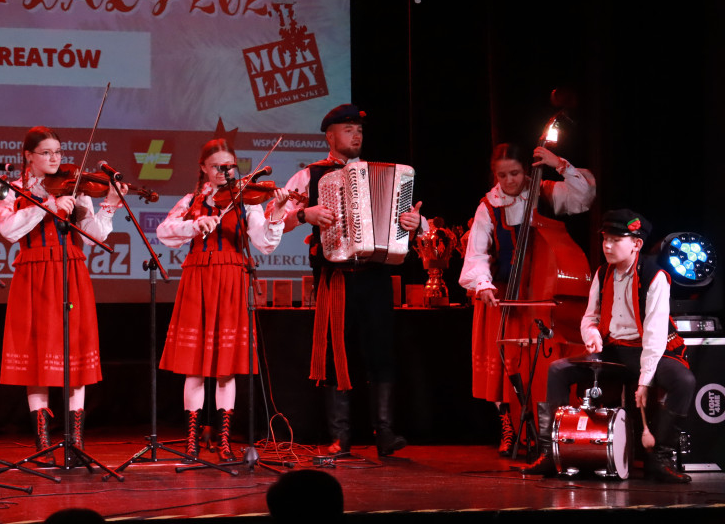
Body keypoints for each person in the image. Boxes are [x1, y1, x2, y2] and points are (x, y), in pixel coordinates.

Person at [271, 104, 424, 459]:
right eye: (348, 129)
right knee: (334, 354)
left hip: (375, 277)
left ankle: (384, 433)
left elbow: (411, 220)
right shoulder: (310, 175)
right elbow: (273, 219)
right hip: (336, 278)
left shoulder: (384, 174)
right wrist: (303, 213)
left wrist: (415, 223)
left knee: (381, 353)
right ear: (330, 135)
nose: (356, 135)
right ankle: (340, 437)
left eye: (359, 130)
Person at [522, 210, 695, 483]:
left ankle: (658, 457)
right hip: (614, 349)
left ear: (636, 244)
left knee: (683, 381)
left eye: (616, 240)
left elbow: (655, 334)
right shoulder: (603, 273)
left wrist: (645, 381)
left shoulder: (655, 276)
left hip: (649, 351)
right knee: (558, 370)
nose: (608, 246)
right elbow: (590, 316)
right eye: (605, 240)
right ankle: (549, 452)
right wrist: (591, 334)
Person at [458, 143, 596, 456]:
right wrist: (483, 284)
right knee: (504, 364)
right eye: (502, 175)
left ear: (525, 169)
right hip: (506, 294)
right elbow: (477, 252)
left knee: (546, 362)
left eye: (515, 173)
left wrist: (559, 163)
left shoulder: (544, 192)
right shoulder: (488, 207)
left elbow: (583, 197)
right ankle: (510, 424)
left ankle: (551, 428)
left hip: (544, 295)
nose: (508, 181)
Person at [0, 127, 125, 459]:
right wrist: (49, 205)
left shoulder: (75, 187)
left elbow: (94, 233)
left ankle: (75, 441)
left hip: (71, 269)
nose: (55, 159)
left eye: (58, 153)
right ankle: (42, 442)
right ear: (28, 156)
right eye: (47, 153)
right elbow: (8, 230)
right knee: (39, 355)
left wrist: (109, 204)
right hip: (34, 273)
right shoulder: (11, 187)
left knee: (75, 354)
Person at [156, 138, 288, 461]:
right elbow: (164, 231)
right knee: (195, 368)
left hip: (231, 280)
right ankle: (192, 438)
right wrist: (193, 224)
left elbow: (264, 243)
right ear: (203, 168)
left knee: (226, 369)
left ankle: (224, 438)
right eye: (217, 167)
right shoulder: (192, 201)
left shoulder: (247, 202)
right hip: (198, 280)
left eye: (229, 167)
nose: (224, 172)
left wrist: (278, 214)